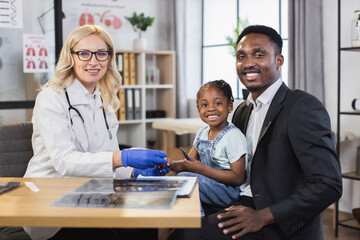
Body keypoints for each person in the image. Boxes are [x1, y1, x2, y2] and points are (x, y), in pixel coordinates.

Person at [170, 25, 342, 240]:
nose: (249, 63)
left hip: (273, 218)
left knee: (185, 236)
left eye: (259, 55)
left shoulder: (302, 106)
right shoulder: (243, 109)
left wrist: (263, 216)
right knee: (167, 221)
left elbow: (329, 185)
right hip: (238, 200)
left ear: (279, 60)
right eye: (241, 56)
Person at [23, 24, 169, 240]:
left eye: (101, 53)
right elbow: (65, 162)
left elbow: (106, 159)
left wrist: (134, 173)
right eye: (84, 54)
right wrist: (123, 157)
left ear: (109, 58)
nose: (94, 61)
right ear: (70, 57)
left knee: (145, 228)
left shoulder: (104, 99)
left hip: (91, 195)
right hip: (51, 201)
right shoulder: (51, 98)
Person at [169, 80, 247, 216]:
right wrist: (172, 165)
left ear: (229, 106)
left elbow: (237, 177)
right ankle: (168, 228)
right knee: (173, 179)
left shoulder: (233, 136)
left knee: (185, 180)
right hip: (207, 184)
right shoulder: (202, 133)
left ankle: (198, 221)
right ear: (199, 109)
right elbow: (189, 163)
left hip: (227, 191)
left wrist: (202, 169)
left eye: (217, 103)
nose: (211, 108)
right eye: (205, 105)